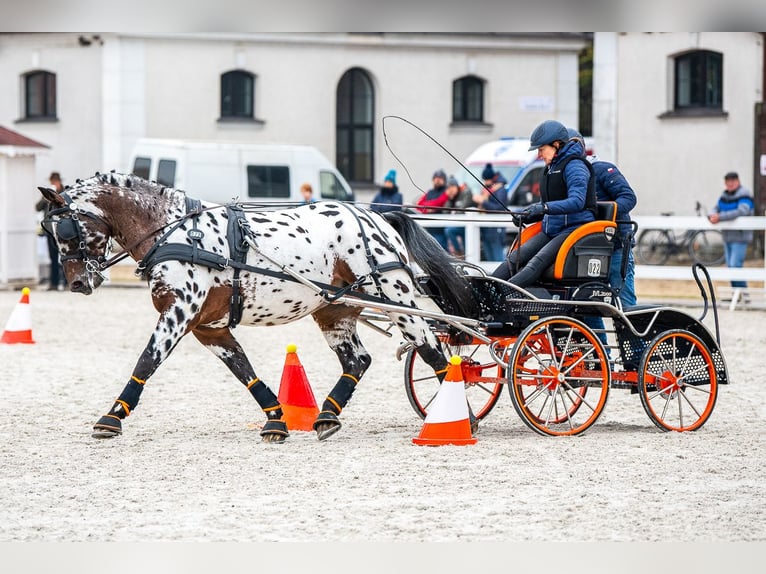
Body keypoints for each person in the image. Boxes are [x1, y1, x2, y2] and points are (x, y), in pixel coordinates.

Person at [491, 120, 596, 287]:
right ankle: (487, 289)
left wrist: (544, 208)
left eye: (541, 149)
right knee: (515, 258)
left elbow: (577, 202)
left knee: (535, 264)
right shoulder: (550, 168)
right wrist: (527, 215)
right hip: (552, 228)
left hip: (573, 228)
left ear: (556, 145)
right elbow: (546, 203)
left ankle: (501, 295)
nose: (539, 154)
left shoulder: (575, 166)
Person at [708, 171, 755, 292]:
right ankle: (737, 295)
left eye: (732, 181)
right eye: (728, 181)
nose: (730, 184)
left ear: (738, 181)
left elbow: (742, 211)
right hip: (727, 236)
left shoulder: (745, 194)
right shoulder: (725, 195)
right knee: (730, 267)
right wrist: (712, 215)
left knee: (735, 266)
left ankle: (743, 294)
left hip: (740, 237)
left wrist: (720, 217)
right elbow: (715, 208)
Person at [471, 163, 508, 261]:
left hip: (496, 229)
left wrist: (483, 201)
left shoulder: (501, 190)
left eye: (486, 179)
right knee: (489, 257)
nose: (485, 182)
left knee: (497, 257)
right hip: (487, 229)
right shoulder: (488, 189)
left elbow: (499, 208)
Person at [36, 171, 66, 291]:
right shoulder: (47, 195)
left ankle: (66, 281)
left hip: (62, 229)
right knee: (53, 258)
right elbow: (37, 207)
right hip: (50, 229)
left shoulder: (64, 193)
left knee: (65, 256)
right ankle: (53, 282)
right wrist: (45, 198)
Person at [415, 168, 450, 250]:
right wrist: (429, 207)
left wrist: (427, 206)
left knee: (441, 249)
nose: (437, 180)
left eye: (440, 178)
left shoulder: (446, 191)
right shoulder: (430, 192)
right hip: (429, 228)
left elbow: (440, 202)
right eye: (435, 178)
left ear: (444, 180)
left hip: (440, 228)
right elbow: (419, 204)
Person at [443, 176, 475, 257]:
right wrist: (450, 199)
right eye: (449, 188)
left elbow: (462, 209)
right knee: (449, 231)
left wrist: (454, 212)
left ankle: (459, 252)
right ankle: (460, 253)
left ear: (456, 186)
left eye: (452, 187)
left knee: (449, 231)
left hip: (468, 224)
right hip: (461, 225)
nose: (451, 190)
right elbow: (445, 211)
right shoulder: (453, 198)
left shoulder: (465, 193)